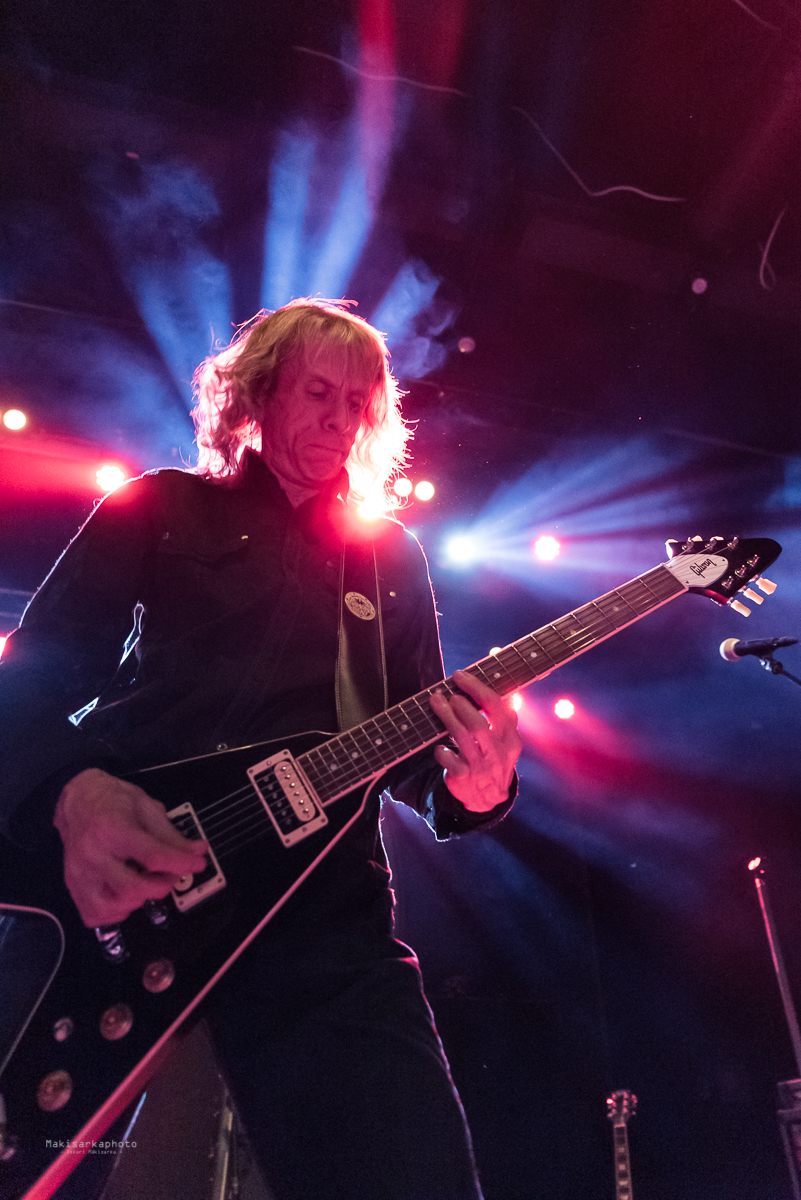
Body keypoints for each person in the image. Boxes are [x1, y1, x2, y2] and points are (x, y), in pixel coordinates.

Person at [0, 299, 521, 1199]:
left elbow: (413, 755)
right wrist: (74, 793)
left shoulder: (387, 557)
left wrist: (475, 788)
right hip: (130, 876)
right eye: (317, 392)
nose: (338, 418)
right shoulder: (159, 505)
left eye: (356, 403)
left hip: (320, 914)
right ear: (256, 394)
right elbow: (33, 680)